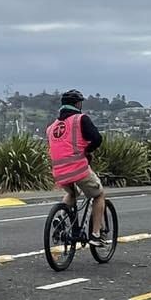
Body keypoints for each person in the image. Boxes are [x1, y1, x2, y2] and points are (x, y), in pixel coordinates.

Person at [45, 89, 108, 242]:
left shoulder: (51, 127)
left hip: (59, 172)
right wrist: (88, 150)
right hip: (78, 168)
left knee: (73, 193)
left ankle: (60, 218)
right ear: (78, 104)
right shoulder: (80, 119)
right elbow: (97, 139)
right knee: (99, 195)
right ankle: (96, 234)